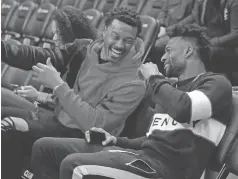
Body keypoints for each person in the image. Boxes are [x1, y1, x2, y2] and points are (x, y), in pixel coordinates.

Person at [30, 24, 233, 179]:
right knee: (45, 148)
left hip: (166, 171)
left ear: (188, 51)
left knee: (74, 166)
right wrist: (115, 140)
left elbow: (185, 109)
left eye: (169, 50)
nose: (163, 58)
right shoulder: (171, 90)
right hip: (142, 157)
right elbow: (153, 140)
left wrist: (154, 78)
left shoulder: (216, 83)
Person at [1, 7, 146, 179]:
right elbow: (39, 56)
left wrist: (58, 85)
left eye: (128, 41)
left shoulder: (135, 81)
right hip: (59, 119)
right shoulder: (85, 49)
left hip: (87, 136)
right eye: (115, 37)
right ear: (105, 31)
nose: (120, 45)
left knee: (8, 127)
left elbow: (96, 124)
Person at [1, 5, 97, 113]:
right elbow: (32, 55)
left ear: (71, 33)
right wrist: (38, 95)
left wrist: (40, 96)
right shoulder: (73, 52)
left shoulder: (85, 59)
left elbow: (76, 106)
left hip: (56, 120)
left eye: (58, 33)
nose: (54, 38)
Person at [149, 0, 201, 72]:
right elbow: (163, 11)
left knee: (157, 46)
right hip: (166, 30)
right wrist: (160, 25)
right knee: (148, 41)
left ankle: (164, 74)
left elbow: (192, 17)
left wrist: (168, 30)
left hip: (181, 32)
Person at [196, 0, 238, 85]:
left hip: (234, 47)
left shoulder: (234, 3)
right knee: (200, 48)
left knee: (210, 52)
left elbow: (236, 33)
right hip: (228, 45)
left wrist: (216, 41)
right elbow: (215, 27)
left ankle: (219, 84)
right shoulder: (218, 3)